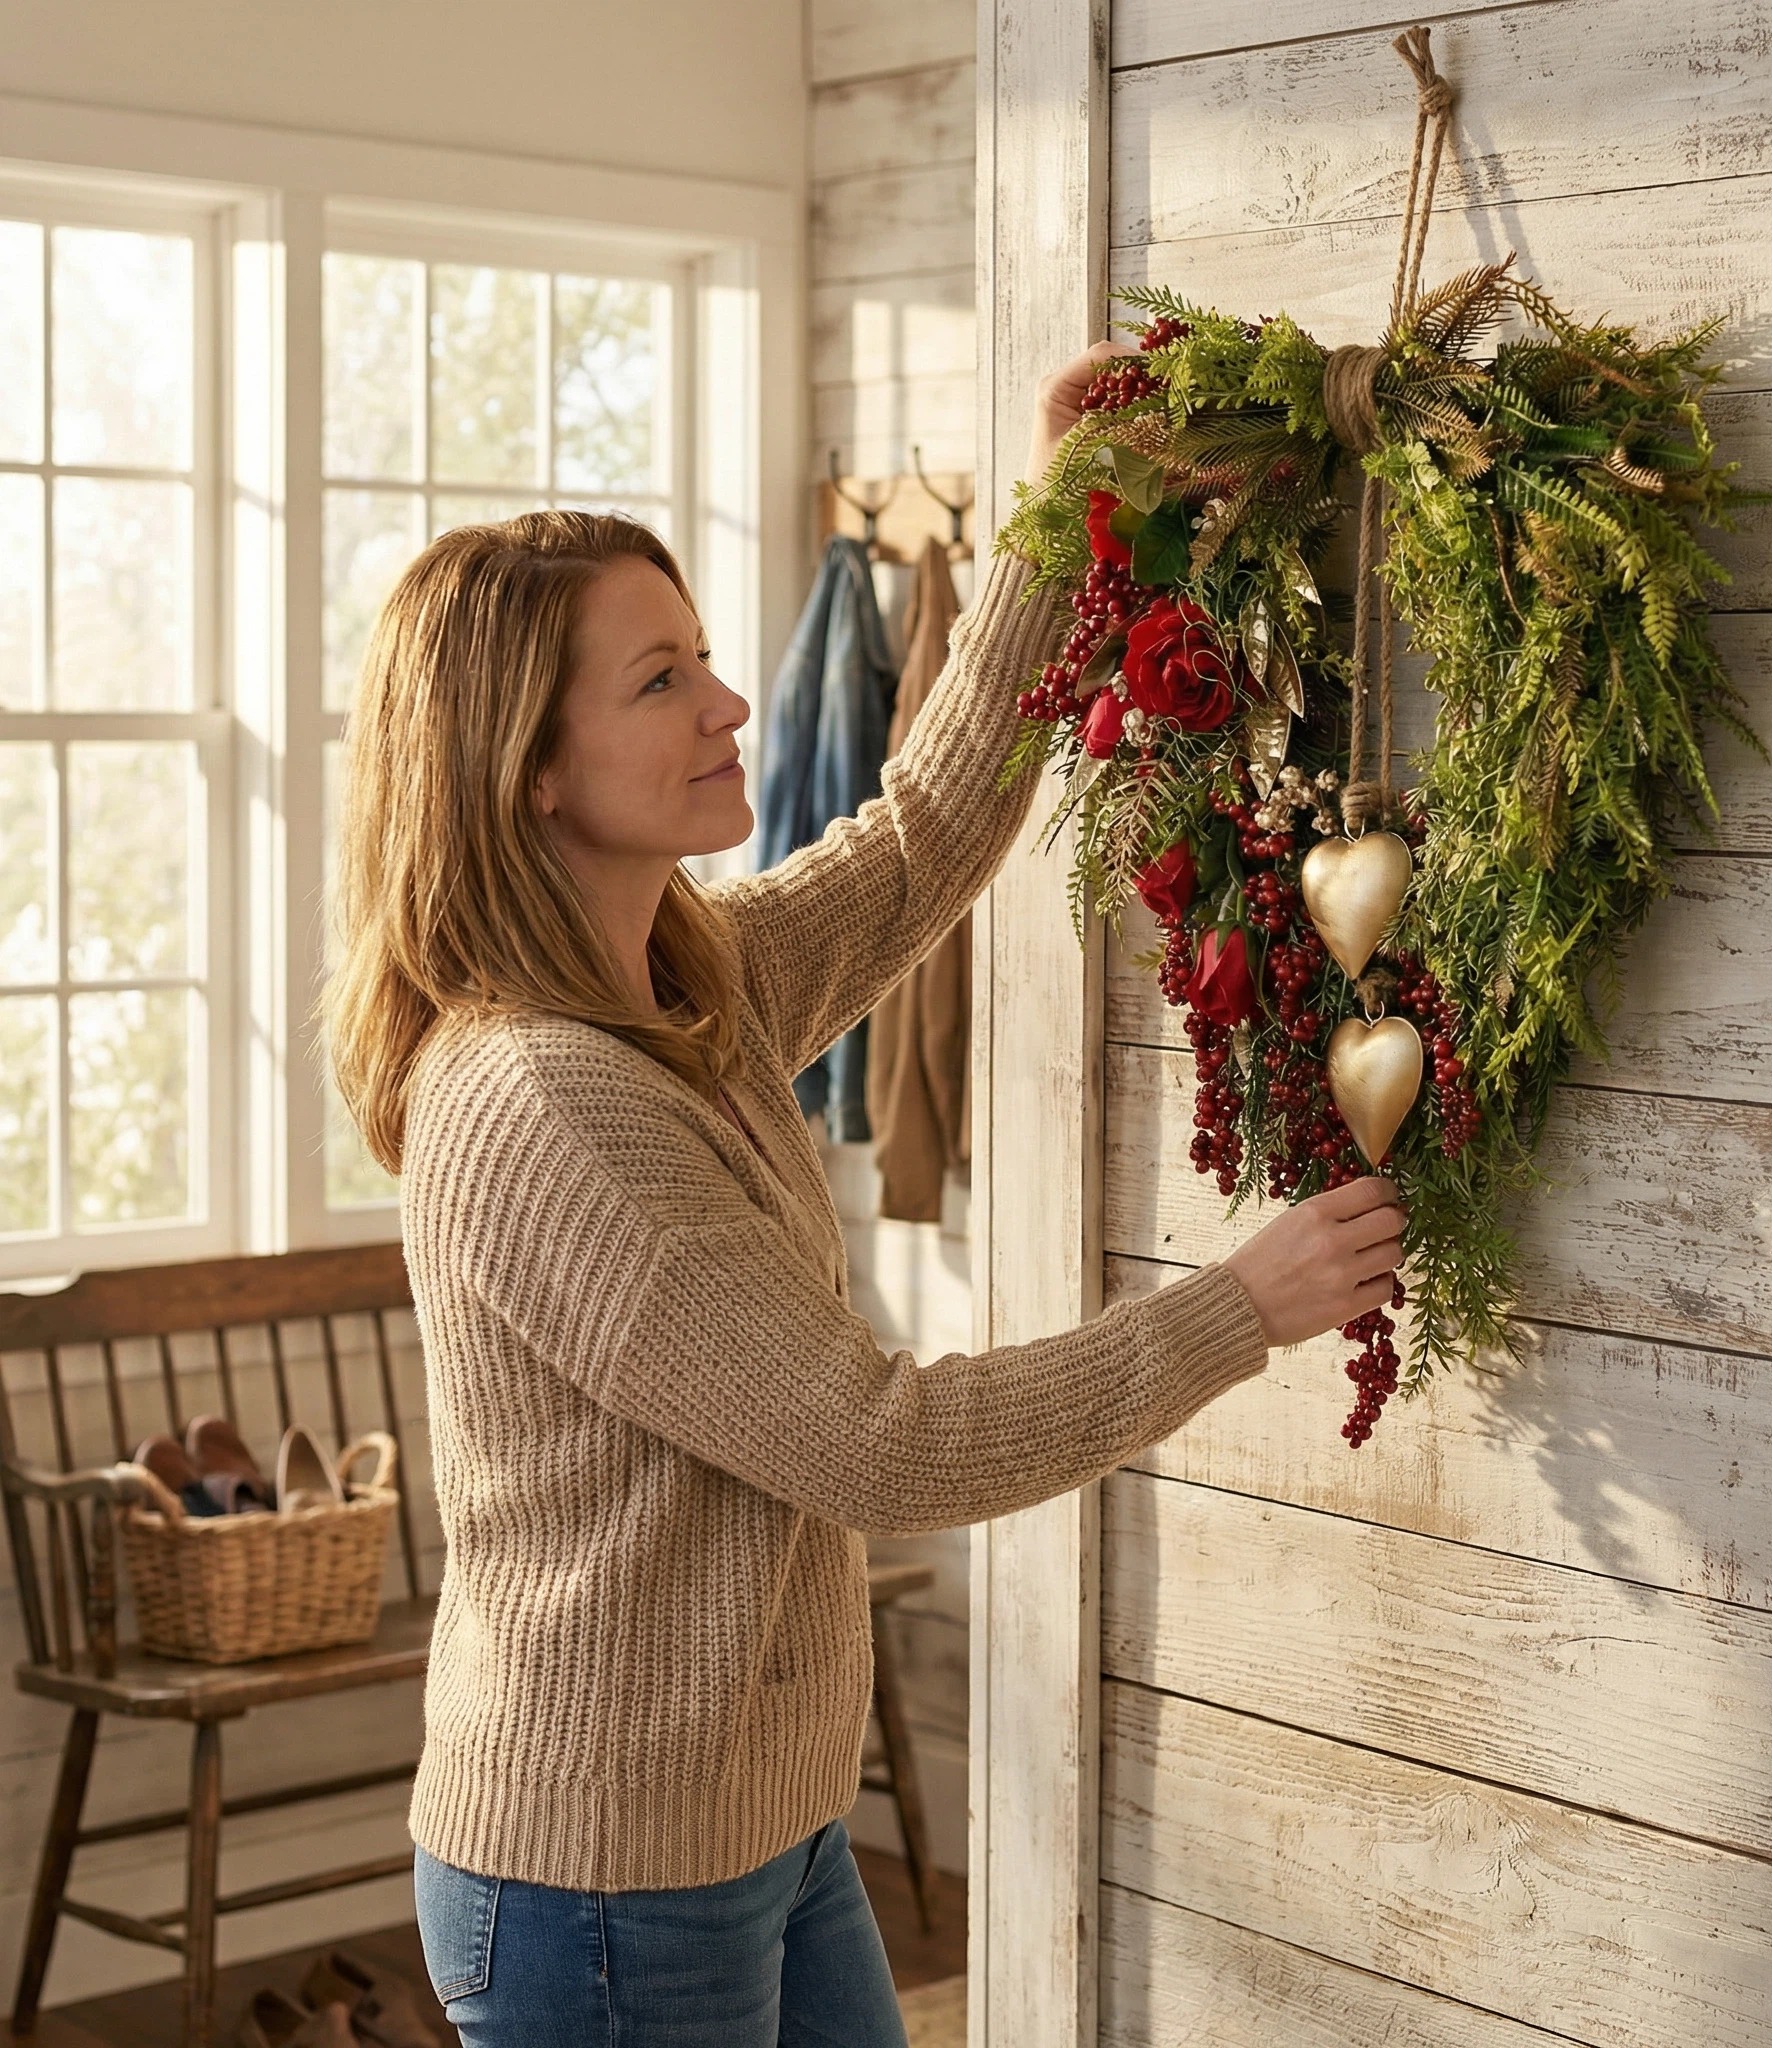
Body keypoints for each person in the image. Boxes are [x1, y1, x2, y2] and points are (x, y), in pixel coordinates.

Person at [322, 342, 1406, 2048]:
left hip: (757, 1815)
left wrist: (1063, 518)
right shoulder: (542, 1100)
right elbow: (880, 1443)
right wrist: (1237, 1309)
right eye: (662, 679)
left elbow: (925, 833)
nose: (730, 705)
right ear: (527, 767)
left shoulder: (689, 990)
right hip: (604, 1881)